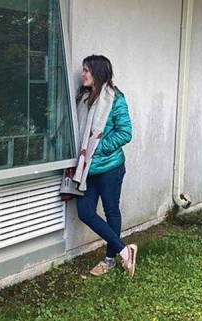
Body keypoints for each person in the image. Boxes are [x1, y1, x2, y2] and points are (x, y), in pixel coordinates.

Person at [74, 54, 137, 278]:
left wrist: (96, 148)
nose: (83, 74)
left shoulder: (115, 99)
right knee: (85, 212)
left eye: (87, 70)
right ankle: (124, 250)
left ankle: (109, 261)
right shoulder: (83, 98)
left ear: (98, 73)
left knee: (111, 211)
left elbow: (125, 133)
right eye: (83, 70)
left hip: (110, 167)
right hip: (87, 170)